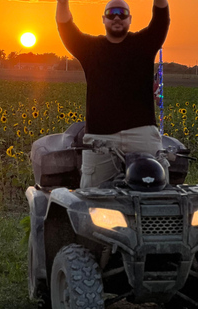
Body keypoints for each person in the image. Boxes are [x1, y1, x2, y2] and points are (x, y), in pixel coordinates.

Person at [56, 0, 170, 188]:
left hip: (141, 136)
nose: (117, 17)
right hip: (100, 139)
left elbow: (161, 19)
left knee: (157, 195)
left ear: (130, 19)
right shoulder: (89, 48)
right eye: (111, 13)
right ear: (103, 19)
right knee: (92, 199)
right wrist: (62, 2)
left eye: (122, 13)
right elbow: (65, 27)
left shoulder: (144, 43)